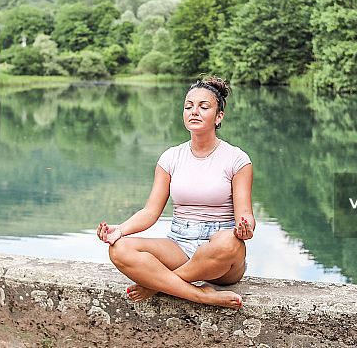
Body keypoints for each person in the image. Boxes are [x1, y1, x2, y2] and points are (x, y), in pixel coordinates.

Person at [97, 75, 254, 309]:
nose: (194, 111)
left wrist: (246, 228)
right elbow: (151, 211)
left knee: (229, 242)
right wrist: (120, 229)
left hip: (221, 256)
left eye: (204, 106)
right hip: (179, 243)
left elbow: (246, 214)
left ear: (218, 116)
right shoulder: (170, 157)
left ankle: (157, 284)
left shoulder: (237, 159)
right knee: (120, 249)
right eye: (188, 106)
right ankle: (201, 295)